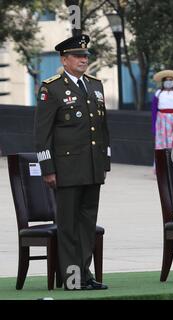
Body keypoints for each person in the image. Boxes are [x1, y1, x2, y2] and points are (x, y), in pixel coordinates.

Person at [34, 34, 110, 290]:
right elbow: (42, 134)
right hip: (66, 169)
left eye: (86, 56)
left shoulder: (95, 85)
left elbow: (102, 128)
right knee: (68, 225)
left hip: (92, 166)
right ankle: (72, 279)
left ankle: (85, 275)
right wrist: (48, 168)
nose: (83, 60)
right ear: (64, 59)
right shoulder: (51, 88)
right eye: (78, 56)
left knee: (87, 223)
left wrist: (104, 163)